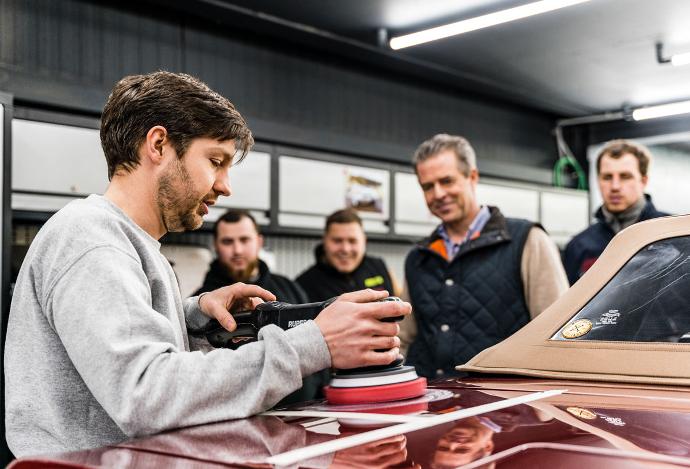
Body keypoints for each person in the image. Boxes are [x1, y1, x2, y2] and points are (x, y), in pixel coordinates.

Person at [3, 71, 410, 457]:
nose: (225, 186)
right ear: (158, 145)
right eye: (216, 161)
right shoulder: (91, 240)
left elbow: (113, 352)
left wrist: (195, 320)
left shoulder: (133, 244)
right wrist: (312, 345)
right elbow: (146, 395)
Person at [399, 133, 568, 379]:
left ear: (472, 177)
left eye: (447, 181)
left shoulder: (527, 241)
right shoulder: (418, 258)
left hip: (504, 407)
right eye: (428, 186)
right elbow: (403, 339)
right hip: (431, 405)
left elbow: (557, 334)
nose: (437, 194)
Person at [193, 208, 329, 403]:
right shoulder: (201, 306)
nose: (237, 250)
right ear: (216, 245)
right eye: (227, 242)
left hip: (308, 413)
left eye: (244, 240)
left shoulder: (290, 287)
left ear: (259, 242)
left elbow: (319, 339)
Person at [563, 139, 668, 285]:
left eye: (625, 176)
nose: (615, 186)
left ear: (643, 181)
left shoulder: (672, 235)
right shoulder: (579, 246)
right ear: (598, 181)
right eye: (607, 177)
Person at [296, 209, 399, 301]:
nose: (345, 249)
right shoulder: (303, 286)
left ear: (364, 241)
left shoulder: (379, 266)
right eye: (337, 241)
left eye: (352, 241)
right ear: (325, 241)